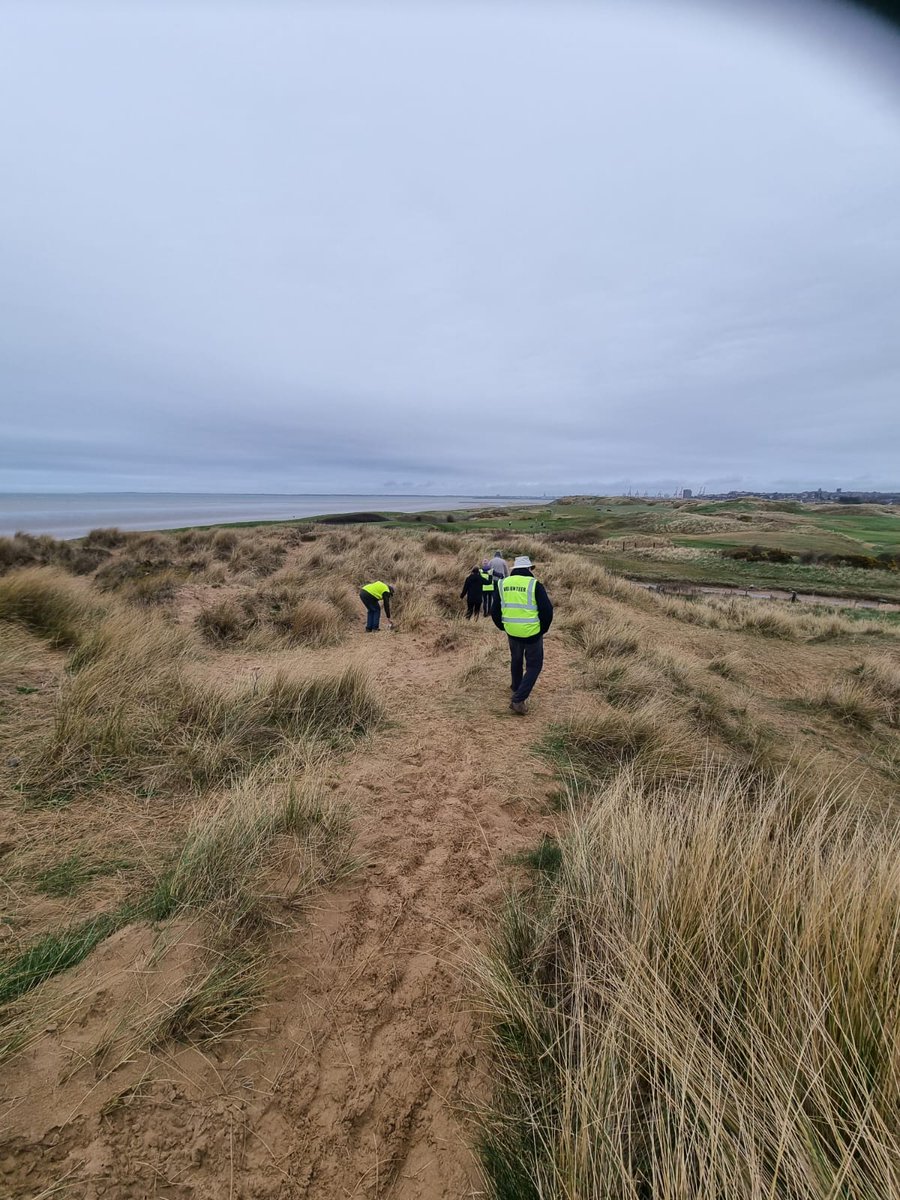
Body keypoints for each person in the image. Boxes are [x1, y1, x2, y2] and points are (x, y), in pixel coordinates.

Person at [492, 555, 553, 714]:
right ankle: (518, 700)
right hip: (532, 633)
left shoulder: (502, 583)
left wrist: (504, 627)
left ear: (514, 569)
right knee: (534, 665)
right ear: (528, 569)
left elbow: (494, 611)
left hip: (512, 631)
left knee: (516, 661)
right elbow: (547, 611)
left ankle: (516, 688)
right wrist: (542, 630)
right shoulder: (535, 585)